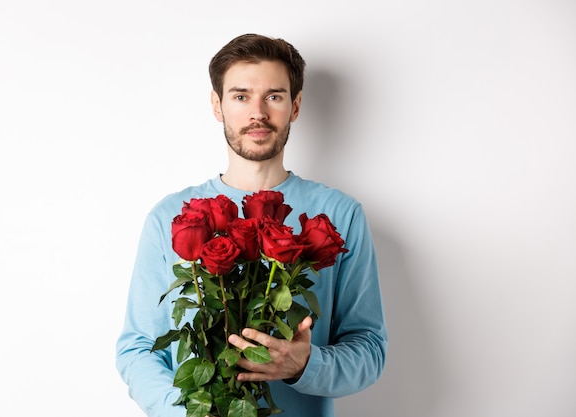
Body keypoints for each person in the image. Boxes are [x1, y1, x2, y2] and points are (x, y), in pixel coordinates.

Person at [115, 33, 387, 417]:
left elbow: (370, 349)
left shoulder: (340, 215)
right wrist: (188, 413)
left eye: (273, 96)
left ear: (295, 107)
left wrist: (304, 365)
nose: (257, 112)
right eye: (241, 96)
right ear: (217, 105)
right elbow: (138, 348)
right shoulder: (170, 217)